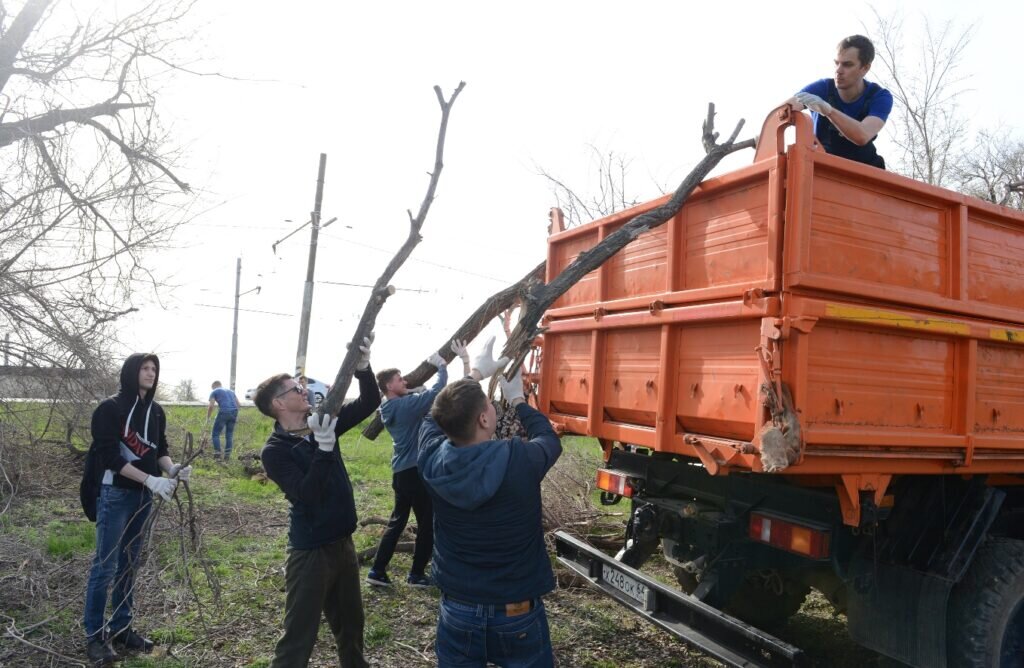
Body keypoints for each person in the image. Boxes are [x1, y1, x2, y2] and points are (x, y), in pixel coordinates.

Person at [417, 340, 562, 667]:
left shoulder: (430, 461)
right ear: (484, 419)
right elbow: (549, 440)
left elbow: (431, 419)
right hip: (516, 610)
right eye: (490, 405)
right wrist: (519, 400)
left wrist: (475, 374)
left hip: (458, 607)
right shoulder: (518, 459)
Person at [255, 335, 378, 668]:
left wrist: (363, 369)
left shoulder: (321, 423)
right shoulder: (275, 451)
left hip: (343, 542)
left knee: (351, 627)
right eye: (295, 389)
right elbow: (307, 493)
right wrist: (323, 450)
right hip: (311, 552)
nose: (303, 389)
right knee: (299, 637)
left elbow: (369, 402)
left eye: (301, 385)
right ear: (278, 404)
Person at [83, 353, 192, 665]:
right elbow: (109, 457)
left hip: (143, 497)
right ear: (131, 371)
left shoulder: (156, 411)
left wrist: (172, 469)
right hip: (114, 494)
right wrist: (150, 480)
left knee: (129, 563)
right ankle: (95, 636)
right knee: (105, 565)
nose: (150, 373)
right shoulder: (110, 408)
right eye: (145, 368)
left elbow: (160, 450)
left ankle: (121, 628)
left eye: (154, 368)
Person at [366, 338, 470, 588]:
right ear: (389, 386)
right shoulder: (404, 406)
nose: (405, 382)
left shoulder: (389, 406)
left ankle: (377, 571)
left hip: (400, 472)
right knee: (427, 524)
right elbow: (437, 393)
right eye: (399, 379)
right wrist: (441, 366)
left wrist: (414, 391)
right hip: (414, 472)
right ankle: (416, 574)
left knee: (397, 522)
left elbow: (416, 397)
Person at [789, 34, 894, 169]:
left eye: (847, 65)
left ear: (865, 68)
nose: (838, 70)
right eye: (836, 63)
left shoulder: (879, 96)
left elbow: (863, 135)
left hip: (865, 174)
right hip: (822, 169)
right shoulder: (822, 88)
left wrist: (829, 111)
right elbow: (783, 110)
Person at [207, 380, 239, 461]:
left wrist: (208, 418)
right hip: (234, 412)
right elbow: (238, 404)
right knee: (229, 435)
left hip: (224, 411)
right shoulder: (231, 392)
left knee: (215, 434)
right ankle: (227, 457)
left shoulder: (214, 391)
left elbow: (211, 406)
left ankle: (217, 455)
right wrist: (235, 415)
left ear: (214, 386)